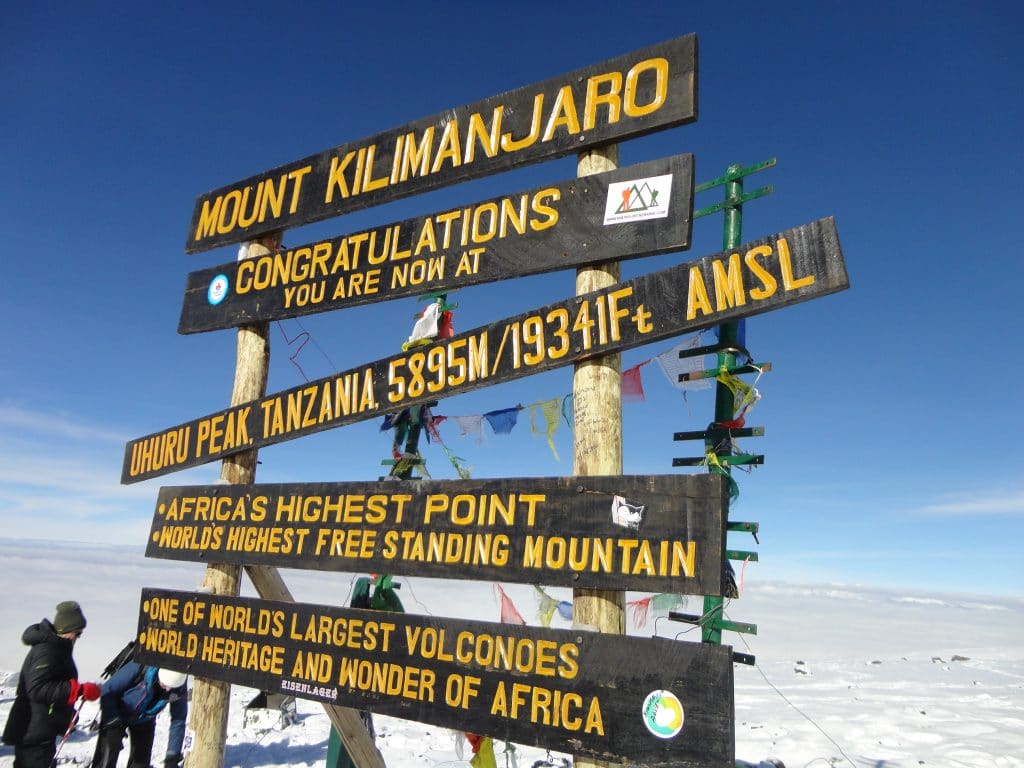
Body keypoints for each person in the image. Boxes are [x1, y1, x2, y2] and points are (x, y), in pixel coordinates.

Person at [1, 600, 101, 768]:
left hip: (38, 729)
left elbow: (53, 685)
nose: (78, 637)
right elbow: (37, 688)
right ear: (66, 629)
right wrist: (79, 689)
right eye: (77, 633)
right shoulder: (47, 649)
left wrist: (66, 712)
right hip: (33, 731)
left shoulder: (56, 647)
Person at [91, 662, 188, 768]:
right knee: (105, 759)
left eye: (171, 687)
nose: (167, 690)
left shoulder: (179, 685)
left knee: (140, 763)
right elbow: (108, 689)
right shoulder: (140, 666)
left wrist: (172, 756)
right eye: (165, 685)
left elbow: (178, 719)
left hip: (145, 719)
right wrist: (112, 723)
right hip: (117, 712)